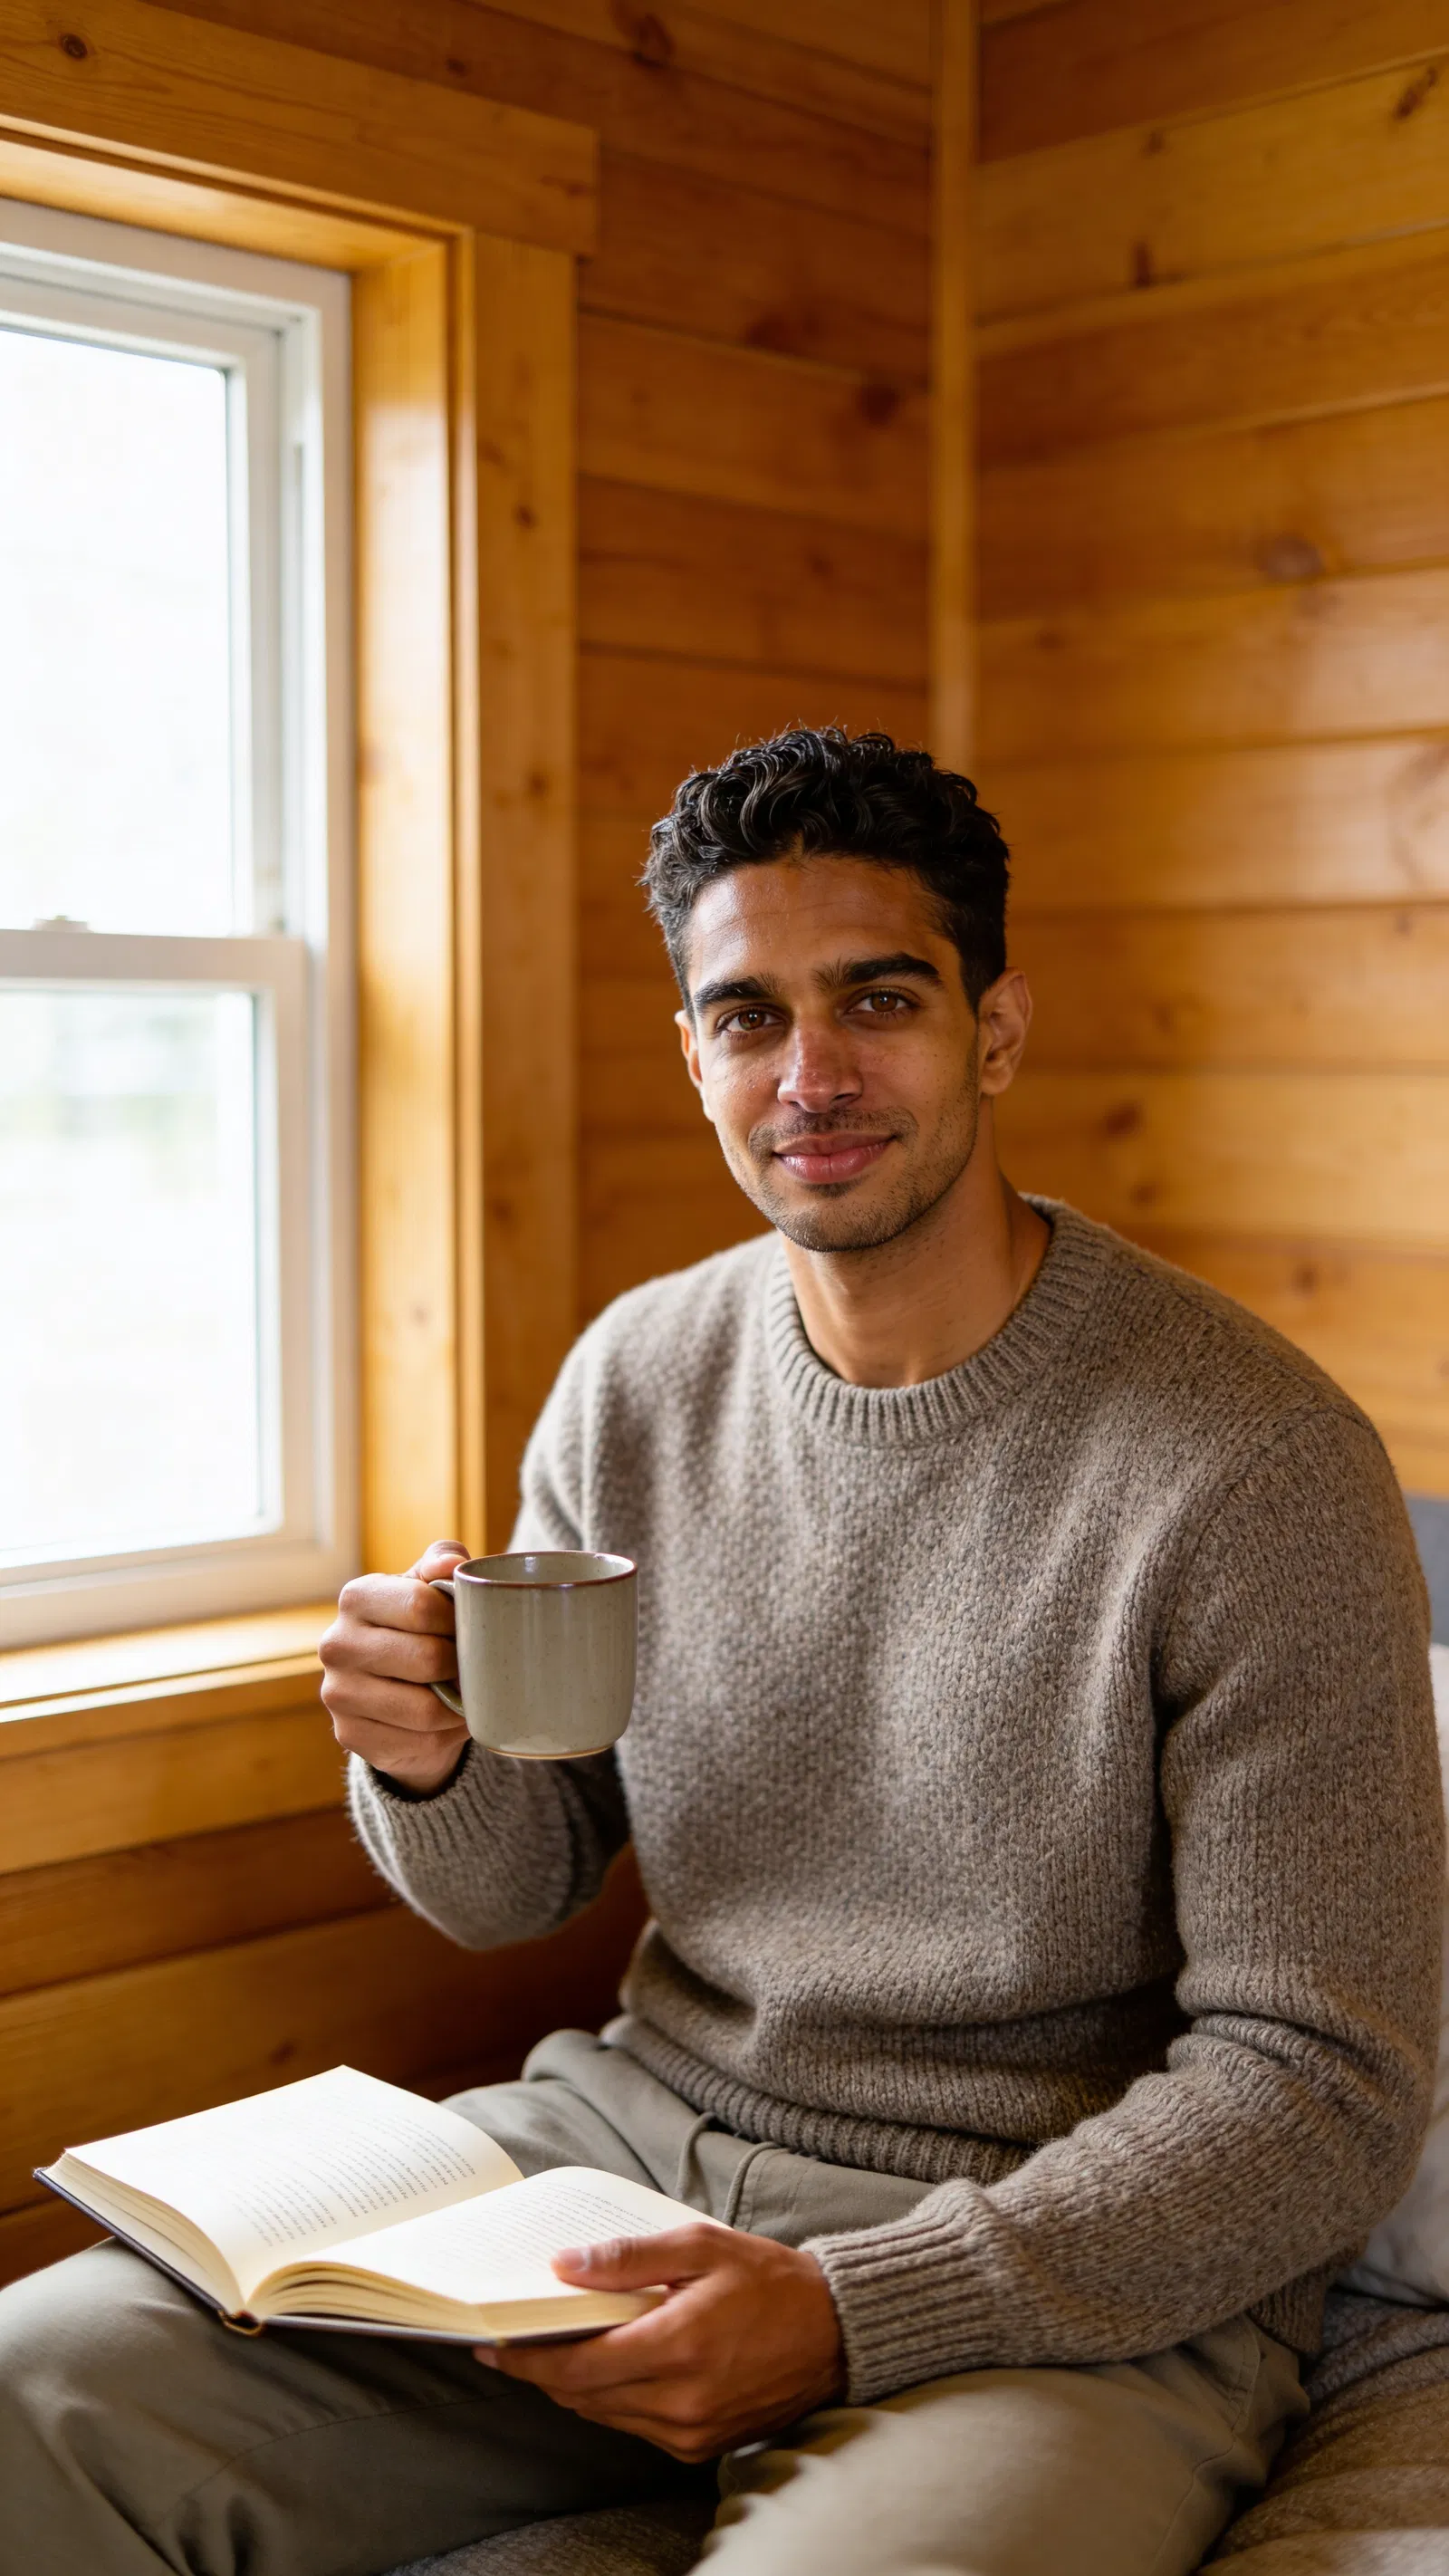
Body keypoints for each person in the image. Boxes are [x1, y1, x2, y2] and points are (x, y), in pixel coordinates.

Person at [0, 726, 1441, 2576]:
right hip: (615, 2164)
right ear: (692, 1054)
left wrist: (847, 2316)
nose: (810, 1074)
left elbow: (1314, 2087)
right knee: (34, 2379)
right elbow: (518, 1886)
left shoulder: (1249, 1458)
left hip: (1045, 2260)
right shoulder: (636, 1377)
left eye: (878, 1000)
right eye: (747, 1016)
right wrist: (427, 1761)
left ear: (993, 1030)